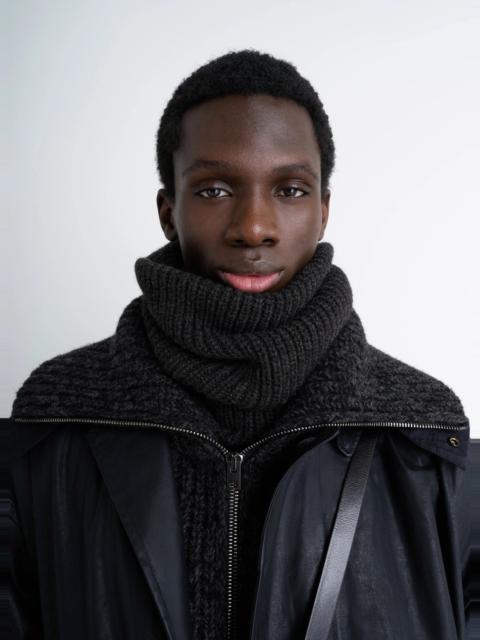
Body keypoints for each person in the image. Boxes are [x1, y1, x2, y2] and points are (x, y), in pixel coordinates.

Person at [3, 49, 471, 640]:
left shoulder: (425, 427)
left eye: (291, 190)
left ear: (324, 211)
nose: (253, 227)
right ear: (168, 212)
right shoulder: (56, 412)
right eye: (215, 190)